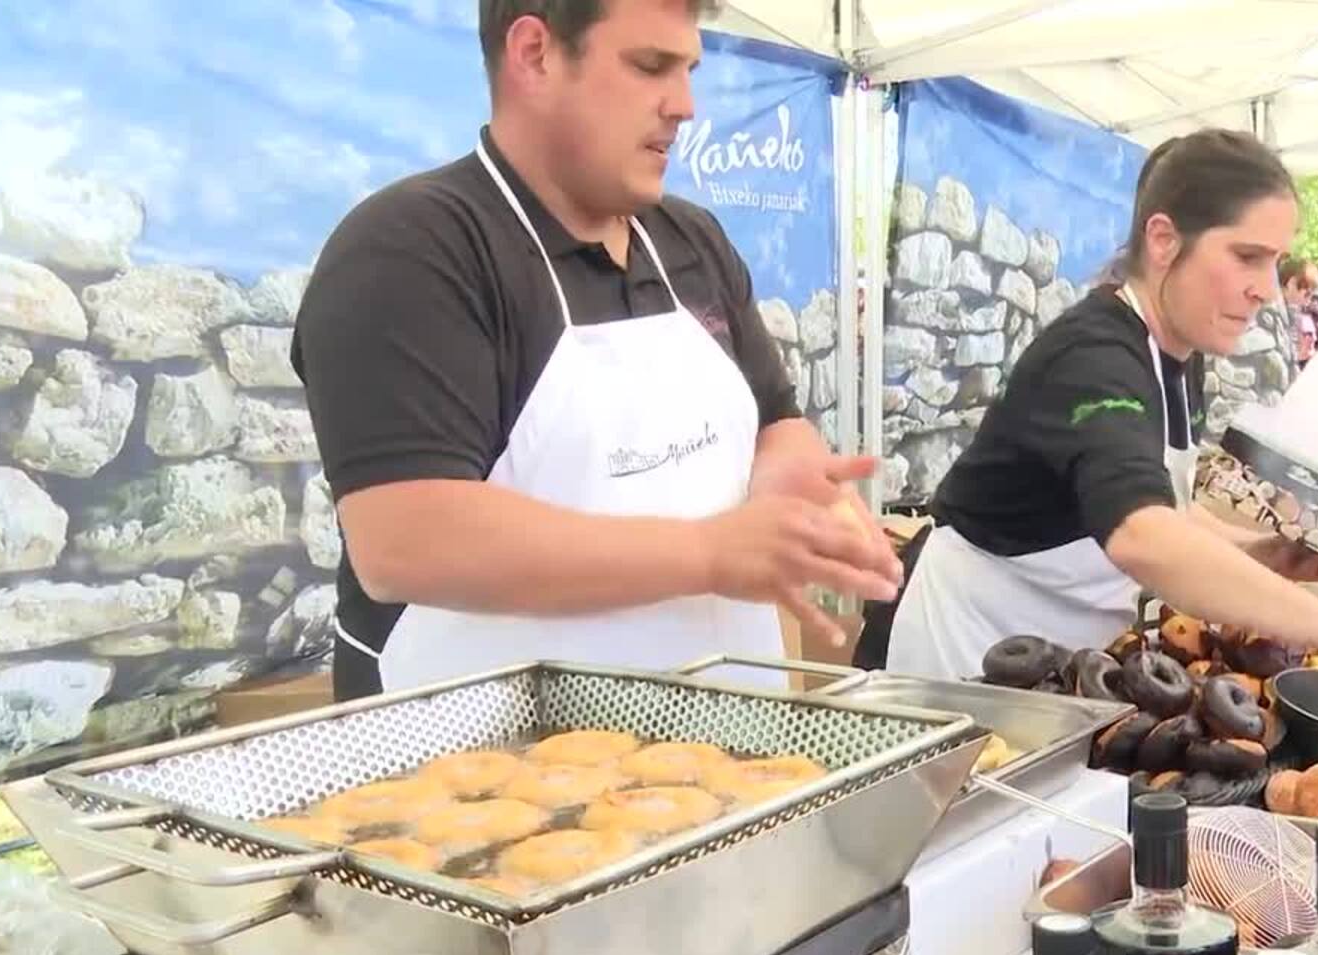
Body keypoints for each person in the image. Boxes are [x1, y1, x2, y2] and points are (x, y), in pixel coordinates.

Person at [291, 0, 900, 701]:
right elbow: (408, 539)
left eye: (689, 70)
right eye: (650, 66)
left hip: (718, 753)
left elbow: (778, 422)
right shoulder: (413, 250)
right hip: (474, 774)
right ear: (534, 53)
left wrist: (784, 486)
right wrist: (710, 553)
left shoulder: (690, 242)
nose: (685, 106)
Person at [885, 130, 1318, 734]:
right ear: (1164, 240)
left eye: (1275, 261)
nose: (1267, 289)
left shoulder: (1177, 355)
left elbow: (1163, 503)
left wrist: (1263, 557)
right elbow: (1143, 537)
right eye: (1247, 257)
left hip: (1047, 678)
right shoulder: (1094, 356)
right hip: (958, 661)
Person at [1205, 256, 1318, 439]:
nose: (1309, 300)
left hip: (1237, 412)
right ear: (1291, 283)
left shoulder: (1279, 315)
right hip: (1239, 416)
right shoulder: (1269, 313)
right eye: (1307, 293)